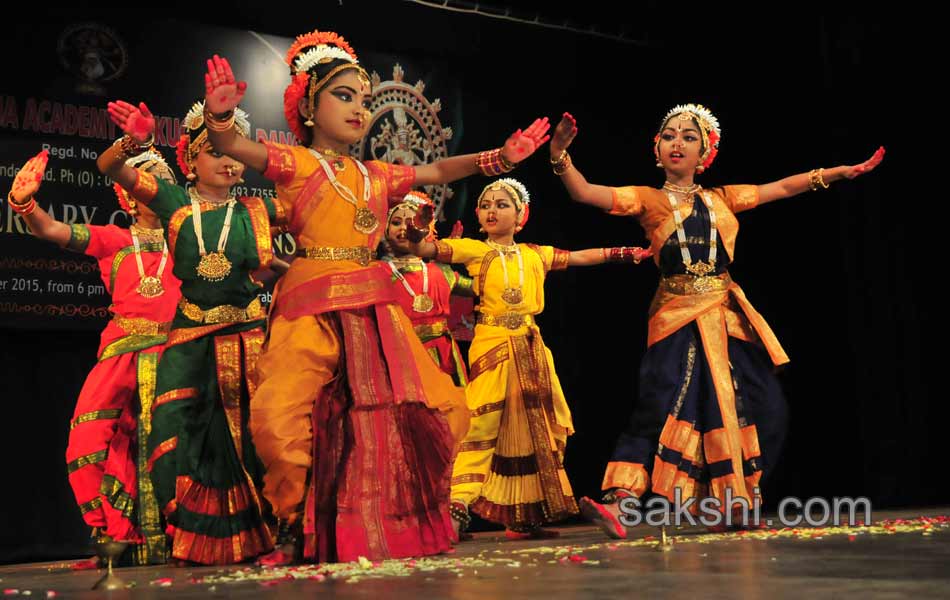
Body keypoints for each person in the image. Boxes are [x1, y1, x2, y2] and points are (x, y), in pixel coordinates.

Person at [547, 105, 884, 537]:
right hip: (674, 315)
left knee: (761, 404)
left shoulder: (723, 198)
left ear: (705, 153)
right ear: (657, 149)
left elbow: (780, 187)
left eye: (689, 137)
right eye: (669, 135)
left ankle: (731, 499)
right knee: (662, 400)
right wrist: (560, 155)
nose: (677, 143)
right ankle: (621, 498)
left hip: (726, 317)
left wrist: (836, 173)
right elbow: (587, 193)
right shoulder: (646, 199)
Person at [408, 177, 651, 539]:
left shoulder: (535, 254)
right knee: (483, 422)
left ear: (522, 215)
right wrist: (419, 225)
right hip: (493, 344)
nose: (492, 210)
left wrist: (622, 253)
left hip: (531, 347)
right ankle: (458, 504)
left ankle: (524, 514)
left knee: (538, 428)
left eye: (502, 204)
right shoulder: (475, 250)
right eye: (486, 204)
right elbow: (428, 250)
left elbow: (579, 257)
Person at [100, 99, 282, 563]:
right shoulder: (174, 203)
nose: (228, 161)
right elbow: (110, 166)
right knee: (175, 430)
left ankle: (267, 531)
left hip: (246, 336)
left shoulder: (258, 210)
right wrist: (132, 142)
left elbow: (308, 223)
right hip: (188, 338)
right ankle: (191, 534)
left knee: (254, 434)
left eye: (235, 154)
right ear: (191, 160)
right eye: (216, 152)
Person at [8, 147, 180, 566]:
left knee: (175, 451)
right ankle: (112, 534)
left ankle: (181, 540)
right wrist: (24, 203)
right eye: (147, 181)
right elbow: (52, 231)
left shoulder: (190, 243)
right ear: (128, 194)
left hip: (177, 354)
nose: (158, 188)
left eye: (166, 182)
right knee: (86, 444)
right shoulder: (114, 240)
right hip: (119, 356)